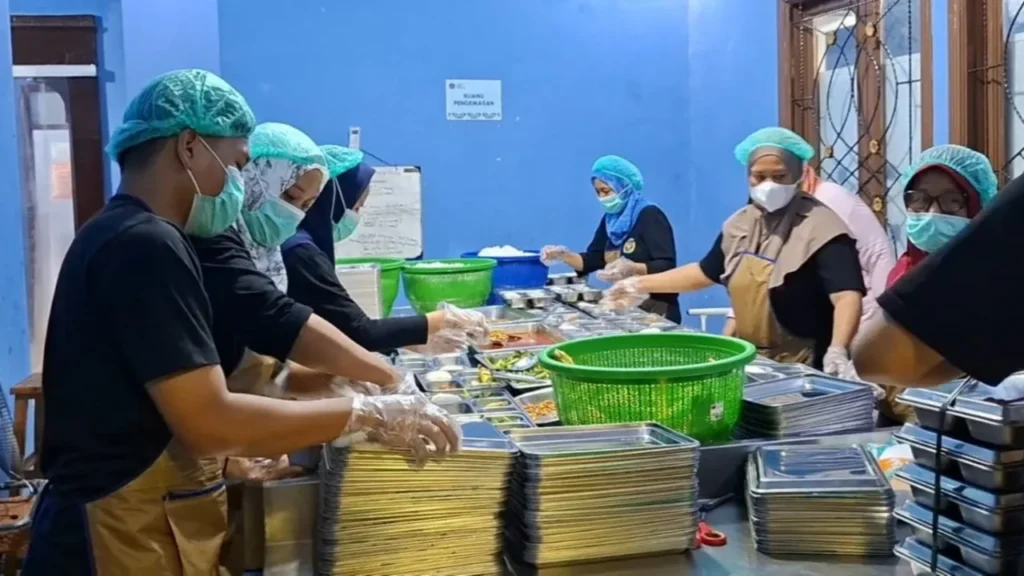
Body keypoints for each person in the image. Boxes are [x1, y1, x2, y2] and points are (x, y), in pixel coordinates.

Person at [23, 70, 460, 576]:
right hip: (112, 527)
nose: (236, 183)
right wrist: (366, 413)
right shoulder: (145, 245)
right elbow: (211, 421)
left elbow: (248, 335)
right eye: (236, 164)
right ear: (189, 146)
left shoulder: (131, 232)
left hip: (131, 511)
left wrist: (355, 386)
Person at [604, 128, 865, 375]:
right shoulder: (740, 224)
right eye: (759, 177)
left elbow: (846, 296)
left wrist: (837, 349)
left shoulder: (823, 226)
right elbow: (704, 273)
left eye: (780, 176)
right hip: (754, 358)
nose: (769, 185)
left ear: (798, 175)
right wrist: (638, 284)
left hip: (808, 362)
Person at [280, 144, 488, 353]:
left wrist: (409, 343)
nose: (356, 216)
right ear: (330, 201)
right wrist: (444, 319)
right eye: (356, 207)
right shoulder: (300, 252)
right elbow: (361, 331)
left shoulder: (300, 243)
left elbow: (339, 326)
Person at [853, 146, 1008, 389]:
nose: (933, 212)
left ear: (978, 206)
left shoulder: (999, 278)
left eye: (951, 201)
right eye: (919, 199)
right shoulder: (904, 271)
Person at [722, 174, 895, 347]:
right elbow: (752, 278)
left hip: (856, 329)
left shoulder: (828, 200)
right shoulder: (767, 207)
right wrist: (728, 339)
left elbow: (878, 257)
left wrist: (882, 330)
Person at [541, 155, 680, 322]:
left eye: (606, 191)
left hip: (656, 309)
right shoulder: (611, 220)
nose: (602, 197)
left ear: (623, 187)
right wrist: (563, 255)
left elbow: (666, 265)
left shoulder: (649, 215)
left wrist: (632, 268)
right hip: (627, 305)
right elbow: (593, 260)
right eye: (598, 192)